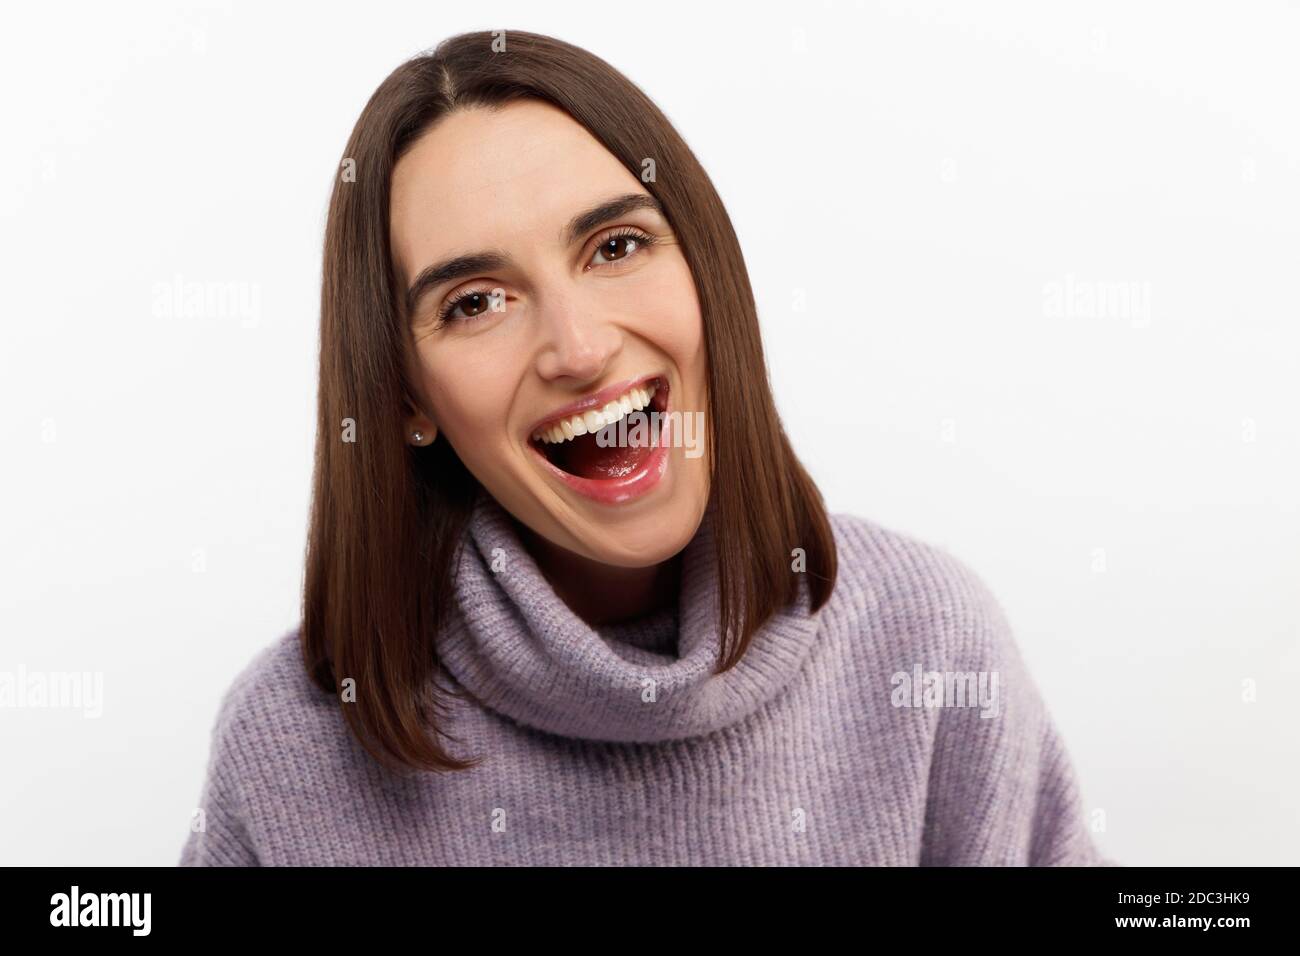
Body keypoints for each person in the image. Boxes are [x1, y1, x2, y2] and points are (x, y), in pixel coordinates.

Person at [180, 29, 1109, 866]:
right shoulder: (290, 742)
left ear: (706, 271)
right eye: (476, 303)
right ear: (404, 399)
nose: (579, 350)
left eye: (616, 247)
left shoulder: (929, 643)